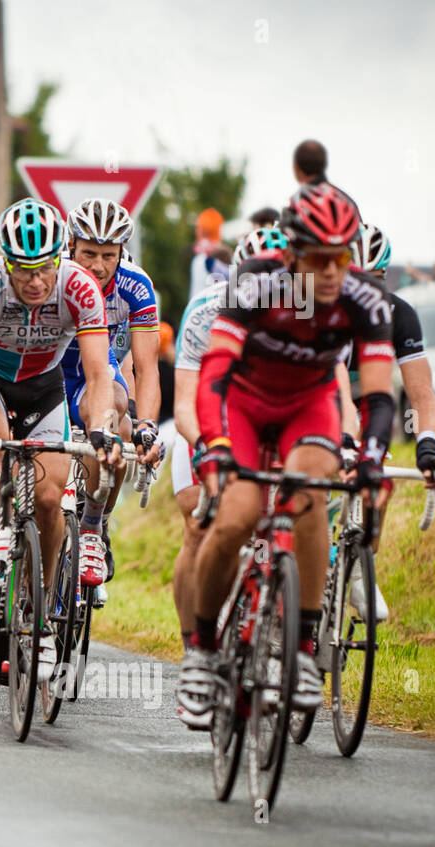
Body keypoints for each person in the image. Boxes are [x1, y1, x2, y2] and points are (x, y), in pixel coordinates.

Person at [179, 183, 396, 724]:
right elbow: (213, 377)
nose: (331, 272)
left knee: (309, 493)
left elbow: (375, 393)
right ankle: (203, 651)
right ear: (292, 255)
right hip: (244, 405)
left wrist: (370, 458)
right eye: (319, 259)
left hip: (309, 404)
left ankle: (300, 652)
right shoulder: (254, 284)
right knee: (234, 521)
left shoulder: (363, 298)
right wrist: (217, 447)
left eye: (341, 258)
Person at [0, 198, 123, 659]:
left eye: (44, 268)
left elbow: (100, 374)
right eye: (23, 271)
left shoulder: (79, 287)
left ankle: (40, 609)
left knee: (49, 499)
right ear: (5, 262)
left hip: (45, 388)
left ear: (59, 257)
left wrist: (101, 427)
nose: (35, 280)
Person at [167, 225, 288, 728]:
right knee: (201, 525)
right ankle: (194, 648)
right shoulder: (206, 311)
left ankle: (276, 635)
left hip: (273, 423)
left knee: (289, 516)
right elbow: (187, 404)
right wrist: (209, 449)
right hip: (208, 422)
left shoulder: (305, 313)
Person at [335, 222, 435, 619]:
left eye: (376, 280)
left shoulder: (400, 315)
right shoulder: (320, 308)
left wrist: (429, 444)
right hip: (320, 393)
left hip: (370, 396)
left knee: (377, 473)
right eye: (355, 279)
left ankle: (358, 565)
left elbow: (421, 395)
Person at [60, 198, 163, 593]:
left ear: (122, 254)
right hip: (49, 375)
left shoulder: (136, 286)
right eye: (88, 253)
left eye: (108, 255)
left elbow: (146, 366)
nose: (97, 266)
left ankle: (94, 525)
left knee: (116, 419)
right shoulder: (50, 277)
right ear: (70, 246)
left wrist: (148, 425)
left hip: (98, 376)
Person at [188, 208, 228, 302]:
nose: (196, 230)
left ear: (203, 230)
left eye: (198, 227)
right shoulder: (224, 254)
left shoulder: (202, 258)